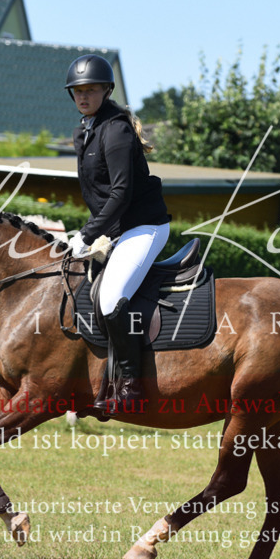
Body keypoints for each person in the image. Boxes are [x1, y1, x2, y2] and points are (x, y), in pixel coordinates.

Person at [64, 54, 171, 414]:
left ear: (106, 90)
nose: (83, 96)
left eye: (90, 90)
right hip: (117, 229)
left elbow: (121, 193)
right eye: (77, 90)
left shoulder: (117, 129)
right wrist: (93, 233)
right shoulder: (84, 130)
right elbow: (98, 194)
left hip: (144, 228)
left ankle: (131, 388)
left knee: (111, 300)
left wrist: (88, 234)